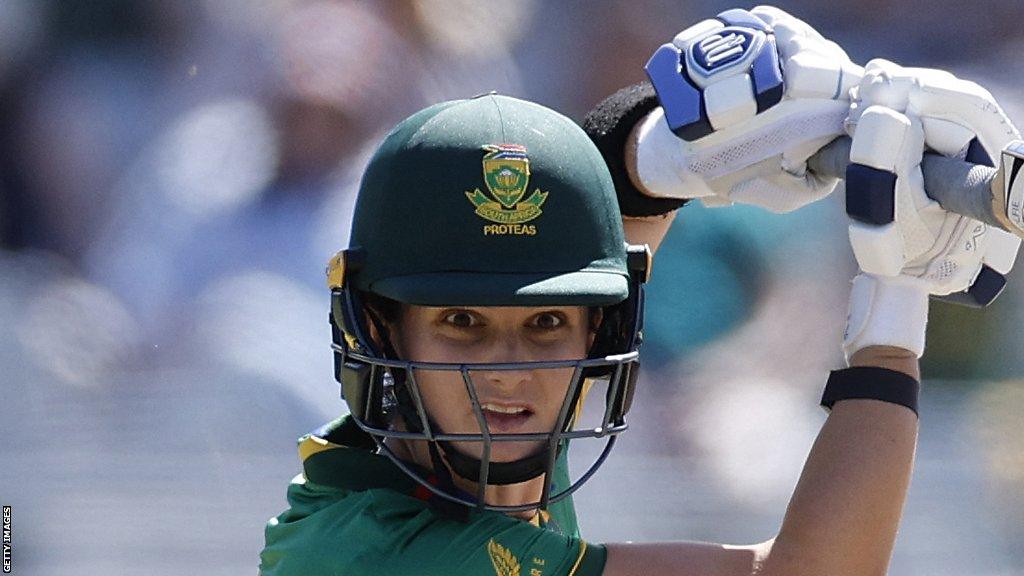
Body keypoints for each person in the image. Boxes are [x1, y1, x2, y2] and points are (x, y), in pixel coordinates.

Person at [260, 7, 1019, 575]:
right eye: (462, 321)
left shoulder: (457, 445)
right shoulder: (381, 552)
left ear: (596, 331)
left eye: (548, 320)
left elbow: (604, 214)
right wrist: (897, 292)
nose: (508, 367)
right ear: (383, 329)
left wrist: (678, 142)